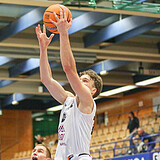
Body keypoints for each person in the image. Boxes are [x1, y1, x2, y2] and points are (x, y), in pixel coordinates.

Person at [36, 8, 103, 160]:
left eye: (85, 81)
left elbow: (69, 69)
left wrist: (63, 33)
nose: (80, 81)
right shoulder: (68, 100)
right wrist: (43, 48)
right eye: (81, 79)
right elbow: (46, 79)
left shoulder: (87, 101)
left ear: (93, 91)